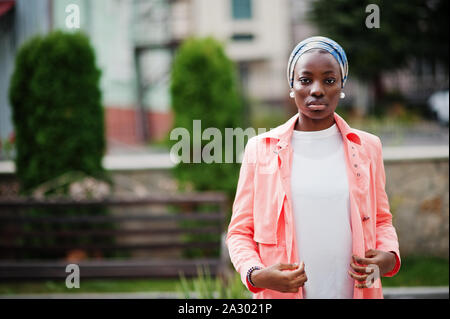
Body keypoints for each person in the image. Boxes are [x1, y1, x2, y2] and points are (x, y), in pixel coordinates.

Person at [226, 36, 401, 299]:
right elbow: (240, 232)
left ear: (341, 85)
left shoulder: (367, 147)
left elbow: (381, 220)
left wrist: (389, 257)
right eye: (306, 80)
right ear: (292, 85)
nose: (317, 90)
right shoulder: (260, 149)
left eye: (329, 80)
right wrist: (255, 274)